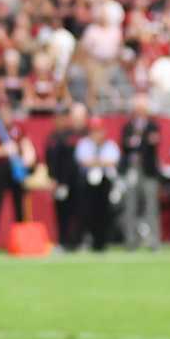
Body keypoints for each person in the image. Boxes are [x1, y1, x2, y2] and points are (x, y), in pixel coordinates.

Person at [0, 107, 33, 253]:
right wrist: (3, 150)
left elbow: (26, 146)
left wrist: (27, 158)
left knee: (19, 207)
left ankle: (22, 243)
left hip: (16, 171)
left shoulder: (18, 128)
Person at [117, 97, 162, 250]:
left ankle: (153, 241)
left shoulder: (152, 126)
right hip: (131, 169)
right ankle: (131, 240)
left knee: (151, 206)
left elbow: (151, 144)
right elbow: (125, 145)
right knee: (130, 205)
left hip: (148, 170)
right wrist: (142, 141)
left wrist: (138, 142)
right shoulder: (128, 126)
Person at [72, 119, 120, 251]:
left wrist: (96, 162)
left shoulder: (110, 145)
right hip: (87, 184)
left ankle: (101, 242)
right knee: (86, 213)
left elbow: (113, 161)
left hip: (104, 183)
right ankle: (84, 240)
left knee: (103, 213)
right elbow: (82, 161)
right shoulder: (84, 144)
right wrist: (100, 162)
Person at [45, 105, 85, 248]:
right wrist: (53, 179)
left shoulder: (71, 136)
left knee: (76, 211)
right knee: (61, 212)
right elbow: (50, 161)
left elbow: (72, 162)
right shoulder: (52, 138)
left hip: (72, 181)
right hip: (58, 181)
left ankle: (76, 241)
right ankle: (63, 241)